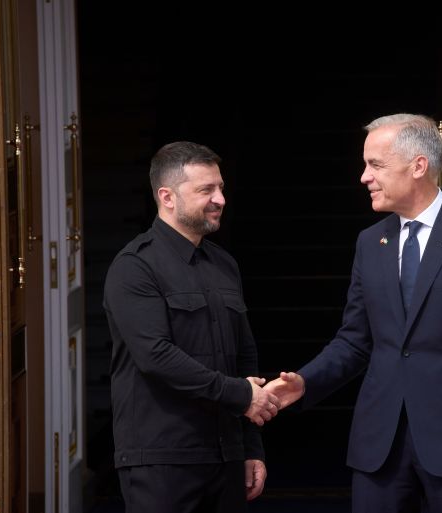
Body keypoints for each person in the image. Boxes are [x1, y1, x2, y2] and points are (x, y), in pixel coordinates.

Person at [266, 114, 442, 513]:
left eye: (375, 165)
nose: (364, 177)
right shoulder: (369, 243)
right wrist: (305, 382)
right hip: (380, 449)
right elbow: (355, 341)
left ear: (418, 167)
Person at [103, 141, 281, 512]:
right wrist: (240, 395)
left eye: (220, 188)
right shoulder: (134, 266)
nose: (220, 199)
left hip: (226, 455)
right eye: (206, 190)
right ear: (167, 197)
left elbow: (244, 358)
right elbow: (156, 355)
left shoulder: (224, 264)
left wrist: (250, 448)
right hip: (161, 457)